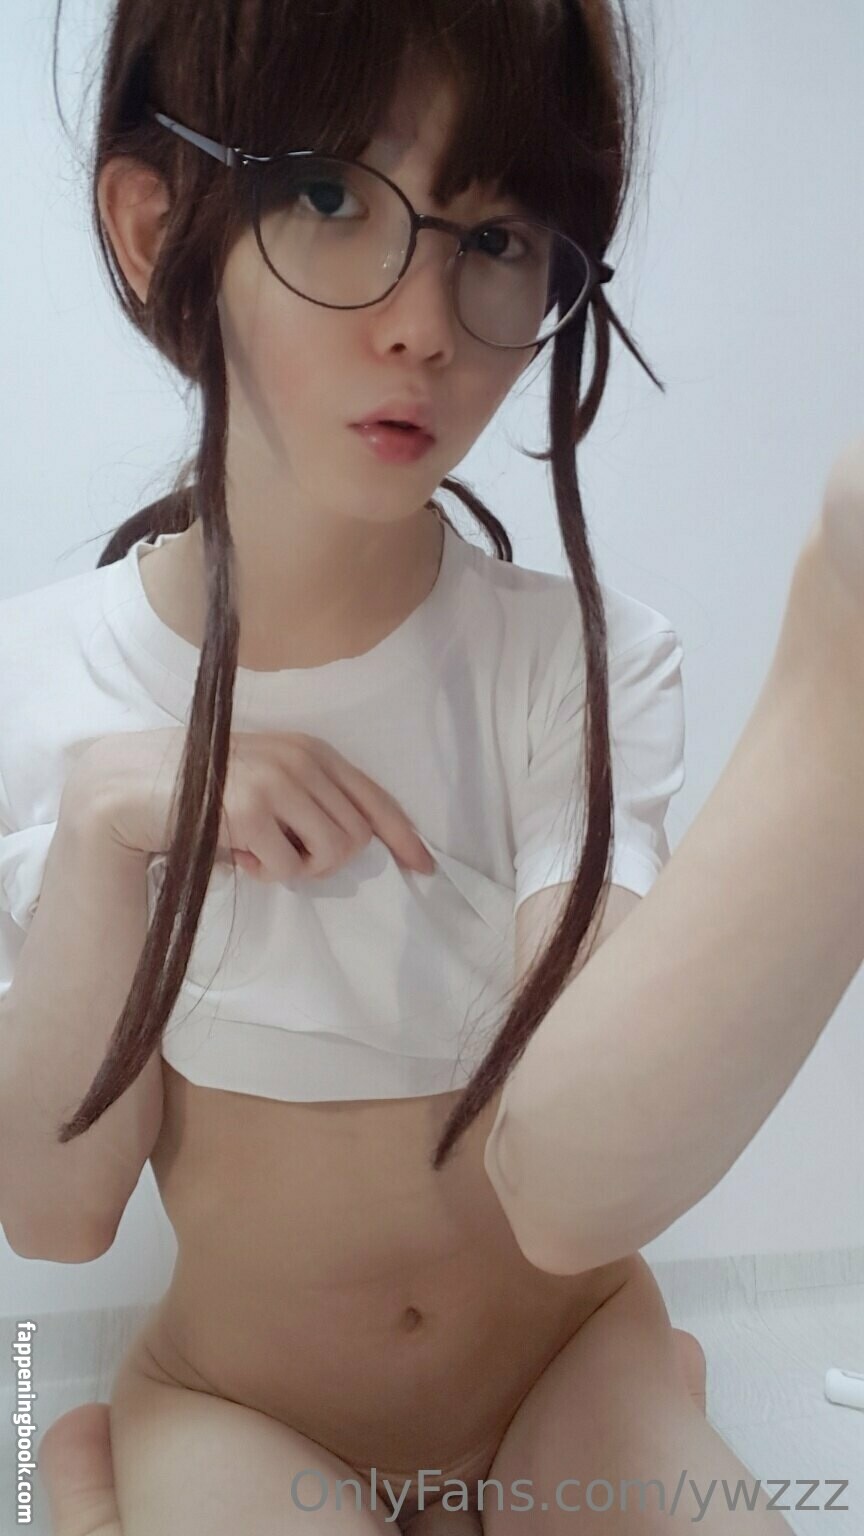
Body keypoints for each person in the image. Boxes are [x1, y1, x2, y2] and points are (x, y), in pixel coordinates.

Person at [5, 2, 858, 1534]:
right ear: (153, 224)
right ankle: (96, 1480)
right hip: (249, 1403)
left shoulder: (579, 658)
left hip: (564, 1361)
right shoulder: (45, 680)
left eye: (499, 235)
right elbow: (55, 1216)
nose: (424, 323)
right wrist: (103, 833)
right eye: (330, 194)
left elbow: (575, 1185)